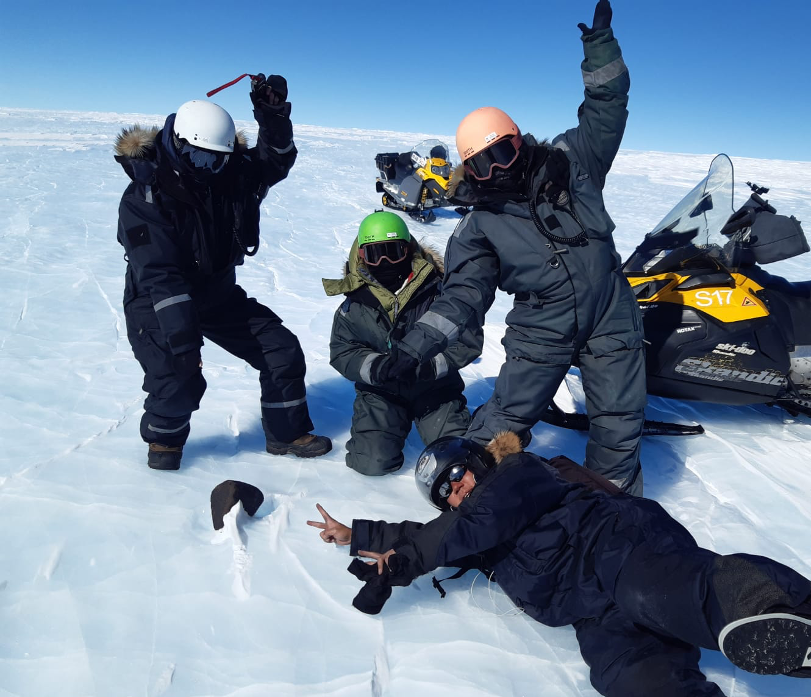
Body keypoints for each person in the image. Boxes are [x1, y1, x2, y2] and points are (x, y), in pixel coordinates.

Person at [307, 433, 811, 697]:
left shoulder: (518, 475)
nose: (456, 491)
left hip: (618, 548)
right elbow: (437, 531)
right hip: (592, 611)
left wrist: (404, 564)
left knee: (665, 592)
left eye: (458, 475)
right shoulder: (472, 528)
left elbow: (457, 530)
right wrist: (357, 533)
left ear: (479, 461)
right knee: (635, 687)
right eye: (444, 493)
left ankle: (810, 614)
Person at [371, 0, 648, 495]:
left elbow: (608, 107)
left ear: (518, 142)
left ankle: (616, 516)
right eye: (482, 164)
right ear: (469, 171)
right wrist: (413, 349)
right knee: (505, 418)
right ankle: (471, 497)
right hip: (543, 328)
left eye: (502, 154)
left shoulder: (571, 160)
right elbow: (461, 297)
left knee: (618, 424)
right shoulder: (479, 226)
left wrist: (599, 47)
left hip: (611, 312)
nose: (496, 171)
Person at [114, 75, 331, 470]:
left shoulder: (229, 173)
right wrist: (185, 344)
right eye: (199, 158)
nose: (208, 168)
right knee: (180, 380)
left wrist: (273, 115)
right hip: (157, 299)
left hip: (216, 293)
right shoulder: (145, 197)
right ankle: (164, 446)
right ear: (178, 145)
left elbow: (277, 158)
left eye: (217, 158)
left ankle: (286, 434)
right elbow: (160, 274)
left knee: (280, 349)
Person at [322, 211, 483, 475]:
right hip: (382, 391)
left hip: (435, 389)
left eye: (393, 251)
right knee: (371, 464)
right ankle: (389, 427)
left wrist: (429, 368)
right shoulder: (354, 303)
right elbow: (342, 350)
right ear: (362, 256)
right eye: (376, 254)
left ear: (408, 249)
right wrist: (376, 368)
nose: (386, 262)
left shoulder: (439, 291)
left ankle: (477, 422)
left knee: (458, 459)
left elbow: (468, 340)